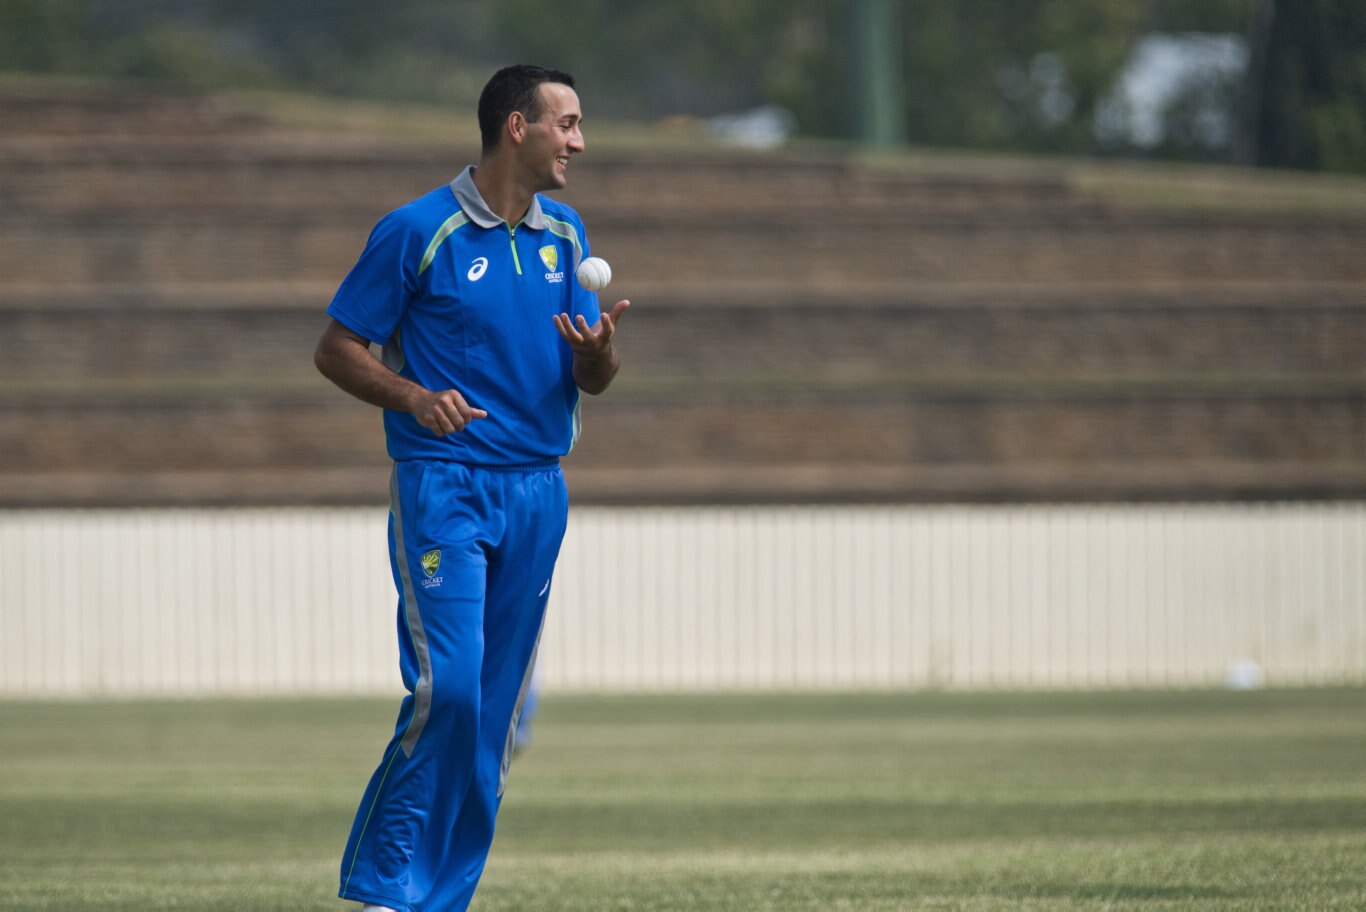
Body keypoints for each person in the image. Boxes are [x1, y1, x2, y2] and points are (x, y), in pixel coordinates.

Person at [313, 64, 628, 912]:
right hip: (444, 485)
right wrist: (415, 397)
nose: (579, 141)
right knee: (447, 690)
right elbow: (337, 349)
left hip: (538, 491)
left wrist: (598, 355)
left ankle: (440, 900)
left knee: (491, 718)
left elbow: (588, 374)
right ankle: (383, 889)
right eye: (566, 123)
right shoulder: (420, 229)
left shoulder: (566, 235)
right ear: (516, 128)